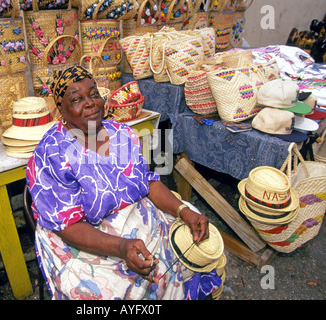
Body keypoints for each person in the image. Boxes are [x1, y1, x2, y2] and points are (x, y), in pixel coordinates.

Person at [26, 65, 222, 300]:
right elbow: (68, 226)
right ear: (61, 109)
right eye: (77, 99)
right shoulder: (51, 154)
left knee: (190, 251)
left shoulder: (121, 134)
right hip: (83, 236)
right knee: (106, 293)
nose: (90, 103)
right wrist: (121, 247)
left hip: (137, 221)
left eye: (94, 94)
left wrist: (182, 211)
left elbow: (148, 183)